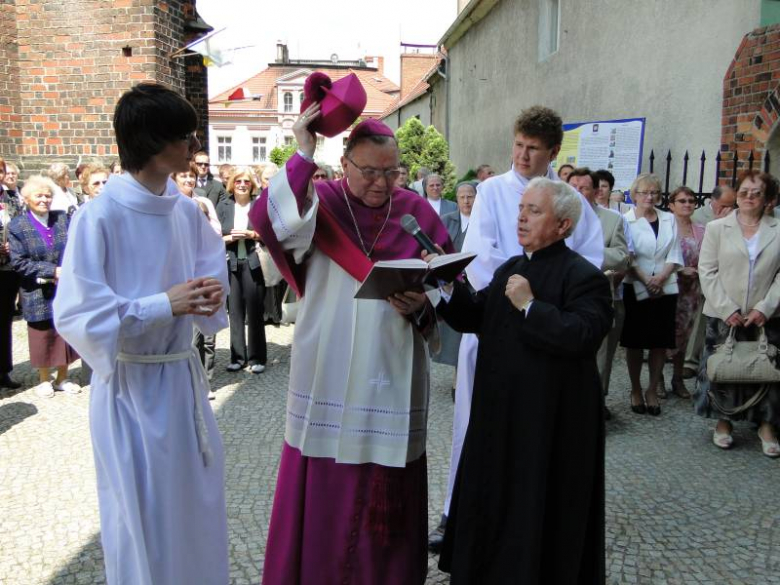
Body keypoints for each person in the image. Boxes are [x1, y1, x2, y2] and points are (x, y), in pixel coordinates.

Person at [251, 106, 452, 585]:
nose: (382, 183)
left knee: (390, 489)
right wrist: (302, 151)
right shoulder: (318, 204)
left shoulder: (417, 212)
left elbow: (446, 287)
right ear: (345, 164)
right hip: (329, 365)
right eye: (370, 172)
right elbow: (270, 222)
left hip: (393, 367)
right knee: (326, 487)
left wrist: (421, 306)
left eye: (391, 172)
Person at [52, 83, 230, 584]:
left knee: (195, 510)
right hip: (131, 390)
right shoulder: (98, 217)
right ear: (153, 142)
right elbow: (79, 315)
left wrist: (209, 297)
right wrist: (162, 304)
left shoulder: (184, 211)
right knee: (142, 518)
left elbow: (206, 277)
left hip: (181, 382)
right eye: (185, 136)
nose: (194, 146)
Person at [430, 105, 604, 554]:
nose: (523, 156)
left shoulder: (573, 212)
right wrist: (456, 290)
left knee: (535, 444)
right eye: (519, 146)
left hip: (543, 342)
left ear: (553, 151)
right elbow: (480, 259)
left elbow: (588, 274)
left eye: (533, 149)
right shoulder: (491, 192)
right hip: (494, 326)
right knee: (477, 428)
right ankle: (460, 510)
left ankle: (532, 525)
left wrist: (533, 303)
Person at [695, 171, 780, 457]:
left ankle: (766, 425)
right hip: (723, 311)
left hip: (766, 313)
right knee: (724, 367)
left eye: (756, 192)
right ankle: (723, 422)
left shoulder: (778, 228)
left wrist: (764, 308)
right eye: (744, 191)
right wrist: (726, 307)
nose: (748, 197)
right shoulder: (718, 228)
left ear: (768, 199)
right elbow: (706, 271)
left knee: (767, 368)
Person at [8, 175, 80, 397]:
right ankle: (43, 379)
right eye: (39, 195)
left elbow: (74, 247)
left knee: (64, 331)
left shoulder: (61, 219)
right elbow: (18, 262)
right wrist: (51, 271)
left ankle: (62, 378)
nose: (44, 200)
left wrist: (67, 270)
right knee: (42, 334)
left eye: (48, 196)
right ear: (27, 198)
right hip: (36, 288)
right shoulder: (18, 225)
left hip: (64, 287)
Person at [568, 167, 629, 419]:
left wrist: (587, 254)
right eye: (573, 187)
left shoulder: (612, 219)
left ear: (595, 191)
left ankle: (596, 401)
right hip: (565, 298)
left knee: (601, 353)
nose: (578, 193)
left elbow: (622, 257)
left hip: (599, 296)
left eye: (584, 188)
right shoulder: (556, 216)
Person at [622, 173, 683, 416]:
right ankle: (635, 388)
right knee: (635, 342)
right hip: (636, 286)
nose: (650, 197)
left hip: (665, 287)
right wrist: (647, 279)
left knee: (659, 342)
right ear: (634, 194)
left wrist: (661, 278)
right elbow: (628, 255)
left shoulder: (669, 219)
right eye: (645, 192)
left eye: (655, 192)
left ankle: (651, 389)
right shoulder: (625, 220)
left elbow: (675, 253)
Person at [217, 168, 267, 374]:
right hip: (231, 262)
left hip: (254, 262)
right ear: (232, 183)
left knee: (255, 312)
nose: (242, 184)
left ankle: (257, 357)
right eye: (238, 181)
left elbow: (270, 234)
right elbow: (213, 236)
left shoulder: (259, 205)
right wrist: (230, 238)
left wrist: (251, 234)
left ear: (252, 185)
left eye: (246, 181)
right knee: (235, 312)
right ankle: (237, 357)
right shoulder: (224, 206)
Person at [684, 185, 737, 378]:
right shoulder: (698, 216)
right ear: (713, 201)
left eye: (732, 205)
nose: (729, 209)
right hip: (699, 273)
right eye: (724, 204)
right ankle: (689, 360)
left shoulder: (736, 216)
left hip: (725, 274)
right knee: (695, 319)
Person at [667, 186, 705, 398]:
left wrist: (697, 271)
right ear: (671, 205)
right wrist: (679, 269)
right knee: (663, 334)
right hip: (668, 287)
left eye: (691, 201)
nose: (687, 204)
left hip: (691, 291)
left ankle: (677, 377)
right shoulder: (665, 227)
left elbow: (709, 259)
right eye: (682, 201)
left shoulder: (701, 230)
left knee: (684, 336)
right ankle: (659, 380)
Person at [434, 181, 477, 369]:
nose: (466, 201)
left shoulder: (483, 219)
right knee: (453, 330)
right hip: (452, 280)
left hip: (475, 282)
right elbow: (438, 248)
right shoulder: (445, 219)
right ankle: (457, 372)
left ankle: (465, 374)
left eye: (470, 196)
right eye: (462, 197)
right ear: (456, 199)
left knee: (471, 331)